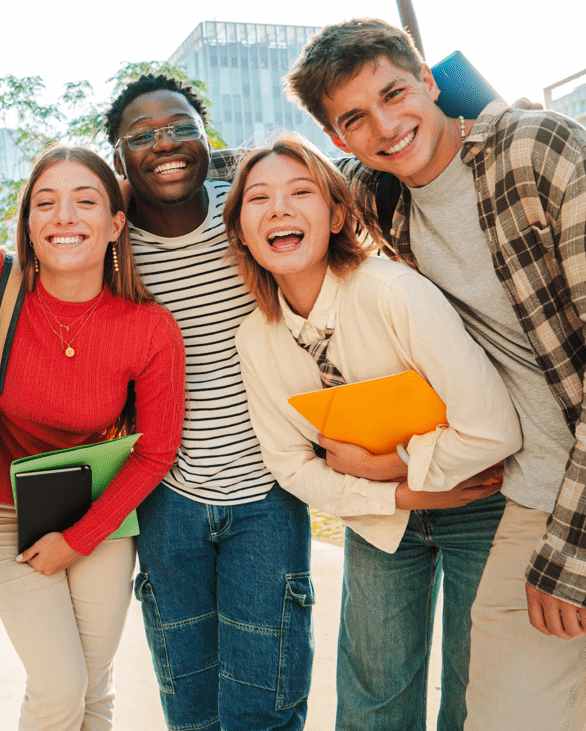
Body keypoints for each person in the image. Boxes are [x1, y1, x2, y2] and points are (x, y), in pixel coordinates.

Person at [283, 17, 586, 731]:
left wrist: (578, 544)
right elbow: (298, 188)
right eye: (356, 119)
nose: (386, 125)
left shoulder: (541, 147)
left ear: (429, 82)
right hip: (534, 509)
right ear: (341, 139)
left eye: (395, 93)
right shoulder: (383, 199)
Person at [224, 135, 520, 730]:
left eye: (300, 192)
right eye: (259, 198)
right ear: (241, 231)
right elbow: (289, 465)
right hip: (380, 516)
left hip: (478, 503)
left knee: (474, 693)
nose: (279, 209)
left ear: (336, 214)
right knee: (372, 699)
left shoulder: (390, 290)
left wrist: (387, 466)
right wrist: (400, 493)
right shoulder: (255, 336)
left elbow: (493, 429)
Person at [104, 74, 313, 730]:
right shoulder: (110, 247)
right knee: (189, 708)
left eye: (178, 128)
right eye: (142, 135)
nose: (163, 143)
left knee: (264, 704)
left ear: (203, 139)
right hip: (166, 498)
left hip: (269, 492)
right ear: (119, 158)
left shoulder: (249, 218)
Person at [0, 145, 184, 731]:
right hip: (5, 514)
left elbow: (156, 450)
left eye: (85, 201)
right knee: (60, 688)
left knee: (94, 689)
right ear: (27, 223)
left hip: (100, 516)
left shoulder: (148, 327)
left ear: (114, 225)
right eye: (45, 203)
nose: (64, 217)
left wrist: (79, 538)